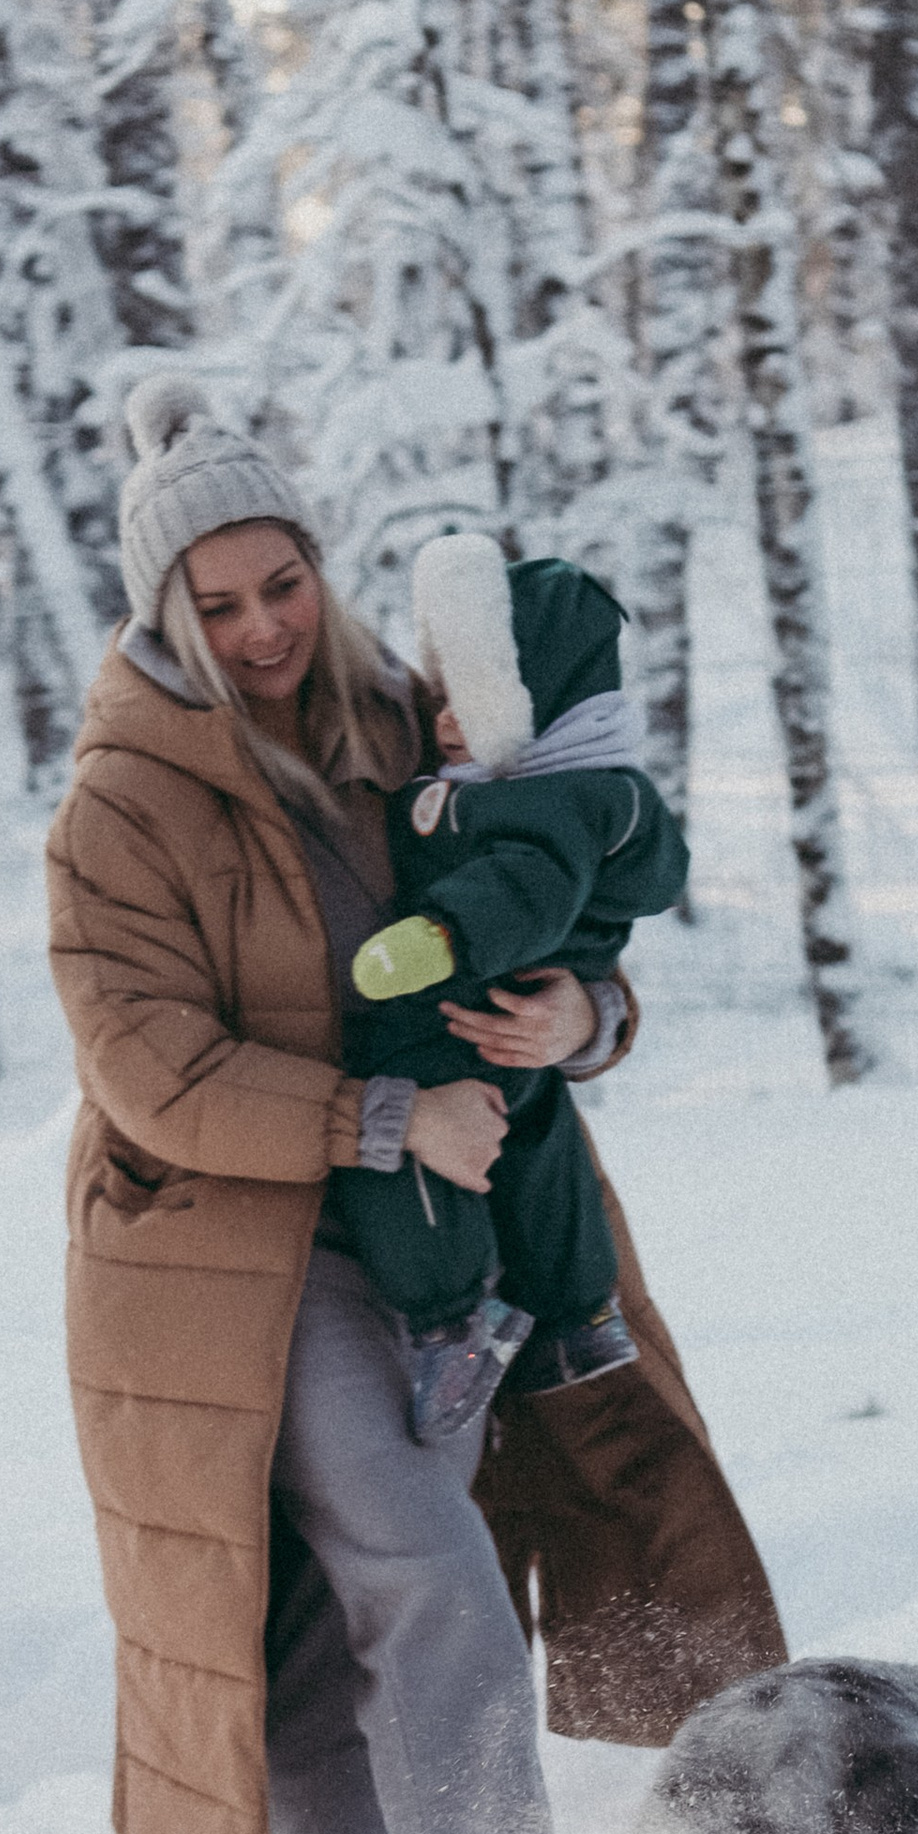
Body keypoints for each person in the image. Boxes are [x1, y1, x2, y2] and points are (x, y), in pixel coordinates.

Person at [44, 376, 785, 1834]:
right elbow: (145, 1069)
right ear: (164, 609)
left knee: (324, 1603)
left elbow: (575, 885)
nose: (261, 632)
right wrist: (382, 1119)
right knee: (425, 1570)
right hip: (235, 1251)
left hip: (463, 1220)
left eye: (284, 586)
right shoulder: (119, 809)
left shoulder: (405, 718)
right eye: (217, 604)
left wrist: (585, 1018)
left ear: (321, 566)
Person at [334, 528, 690, 1443]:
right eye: (440, 690)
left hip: (446, 1014)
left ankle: (464, 1317)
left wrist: (442, 942)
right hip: (468, 1034)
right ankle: (571, 1317)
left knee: (444, 1164)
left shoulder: (541, 797)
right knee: (534, 1150)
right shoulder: (540, 786)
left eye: (472, 696)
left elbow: (523, 889)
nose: (443, 717)